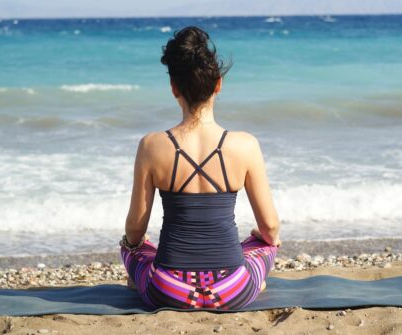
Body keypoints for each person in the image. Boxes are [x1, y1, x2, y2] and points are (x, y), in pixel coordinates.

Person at [120, 26, 281, 309]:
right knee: (264, 245)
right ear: (218, 84)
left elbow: (135, 230)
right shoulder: (245, 145)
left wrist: (134, 244)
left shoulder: (151, 146)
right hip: (231, 288)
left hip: (168, 289)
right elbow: (270, 227)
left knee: (131, 249)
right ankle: (255, 280)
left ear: (174, 89)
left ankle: (140, 279)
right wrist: (262, 239)